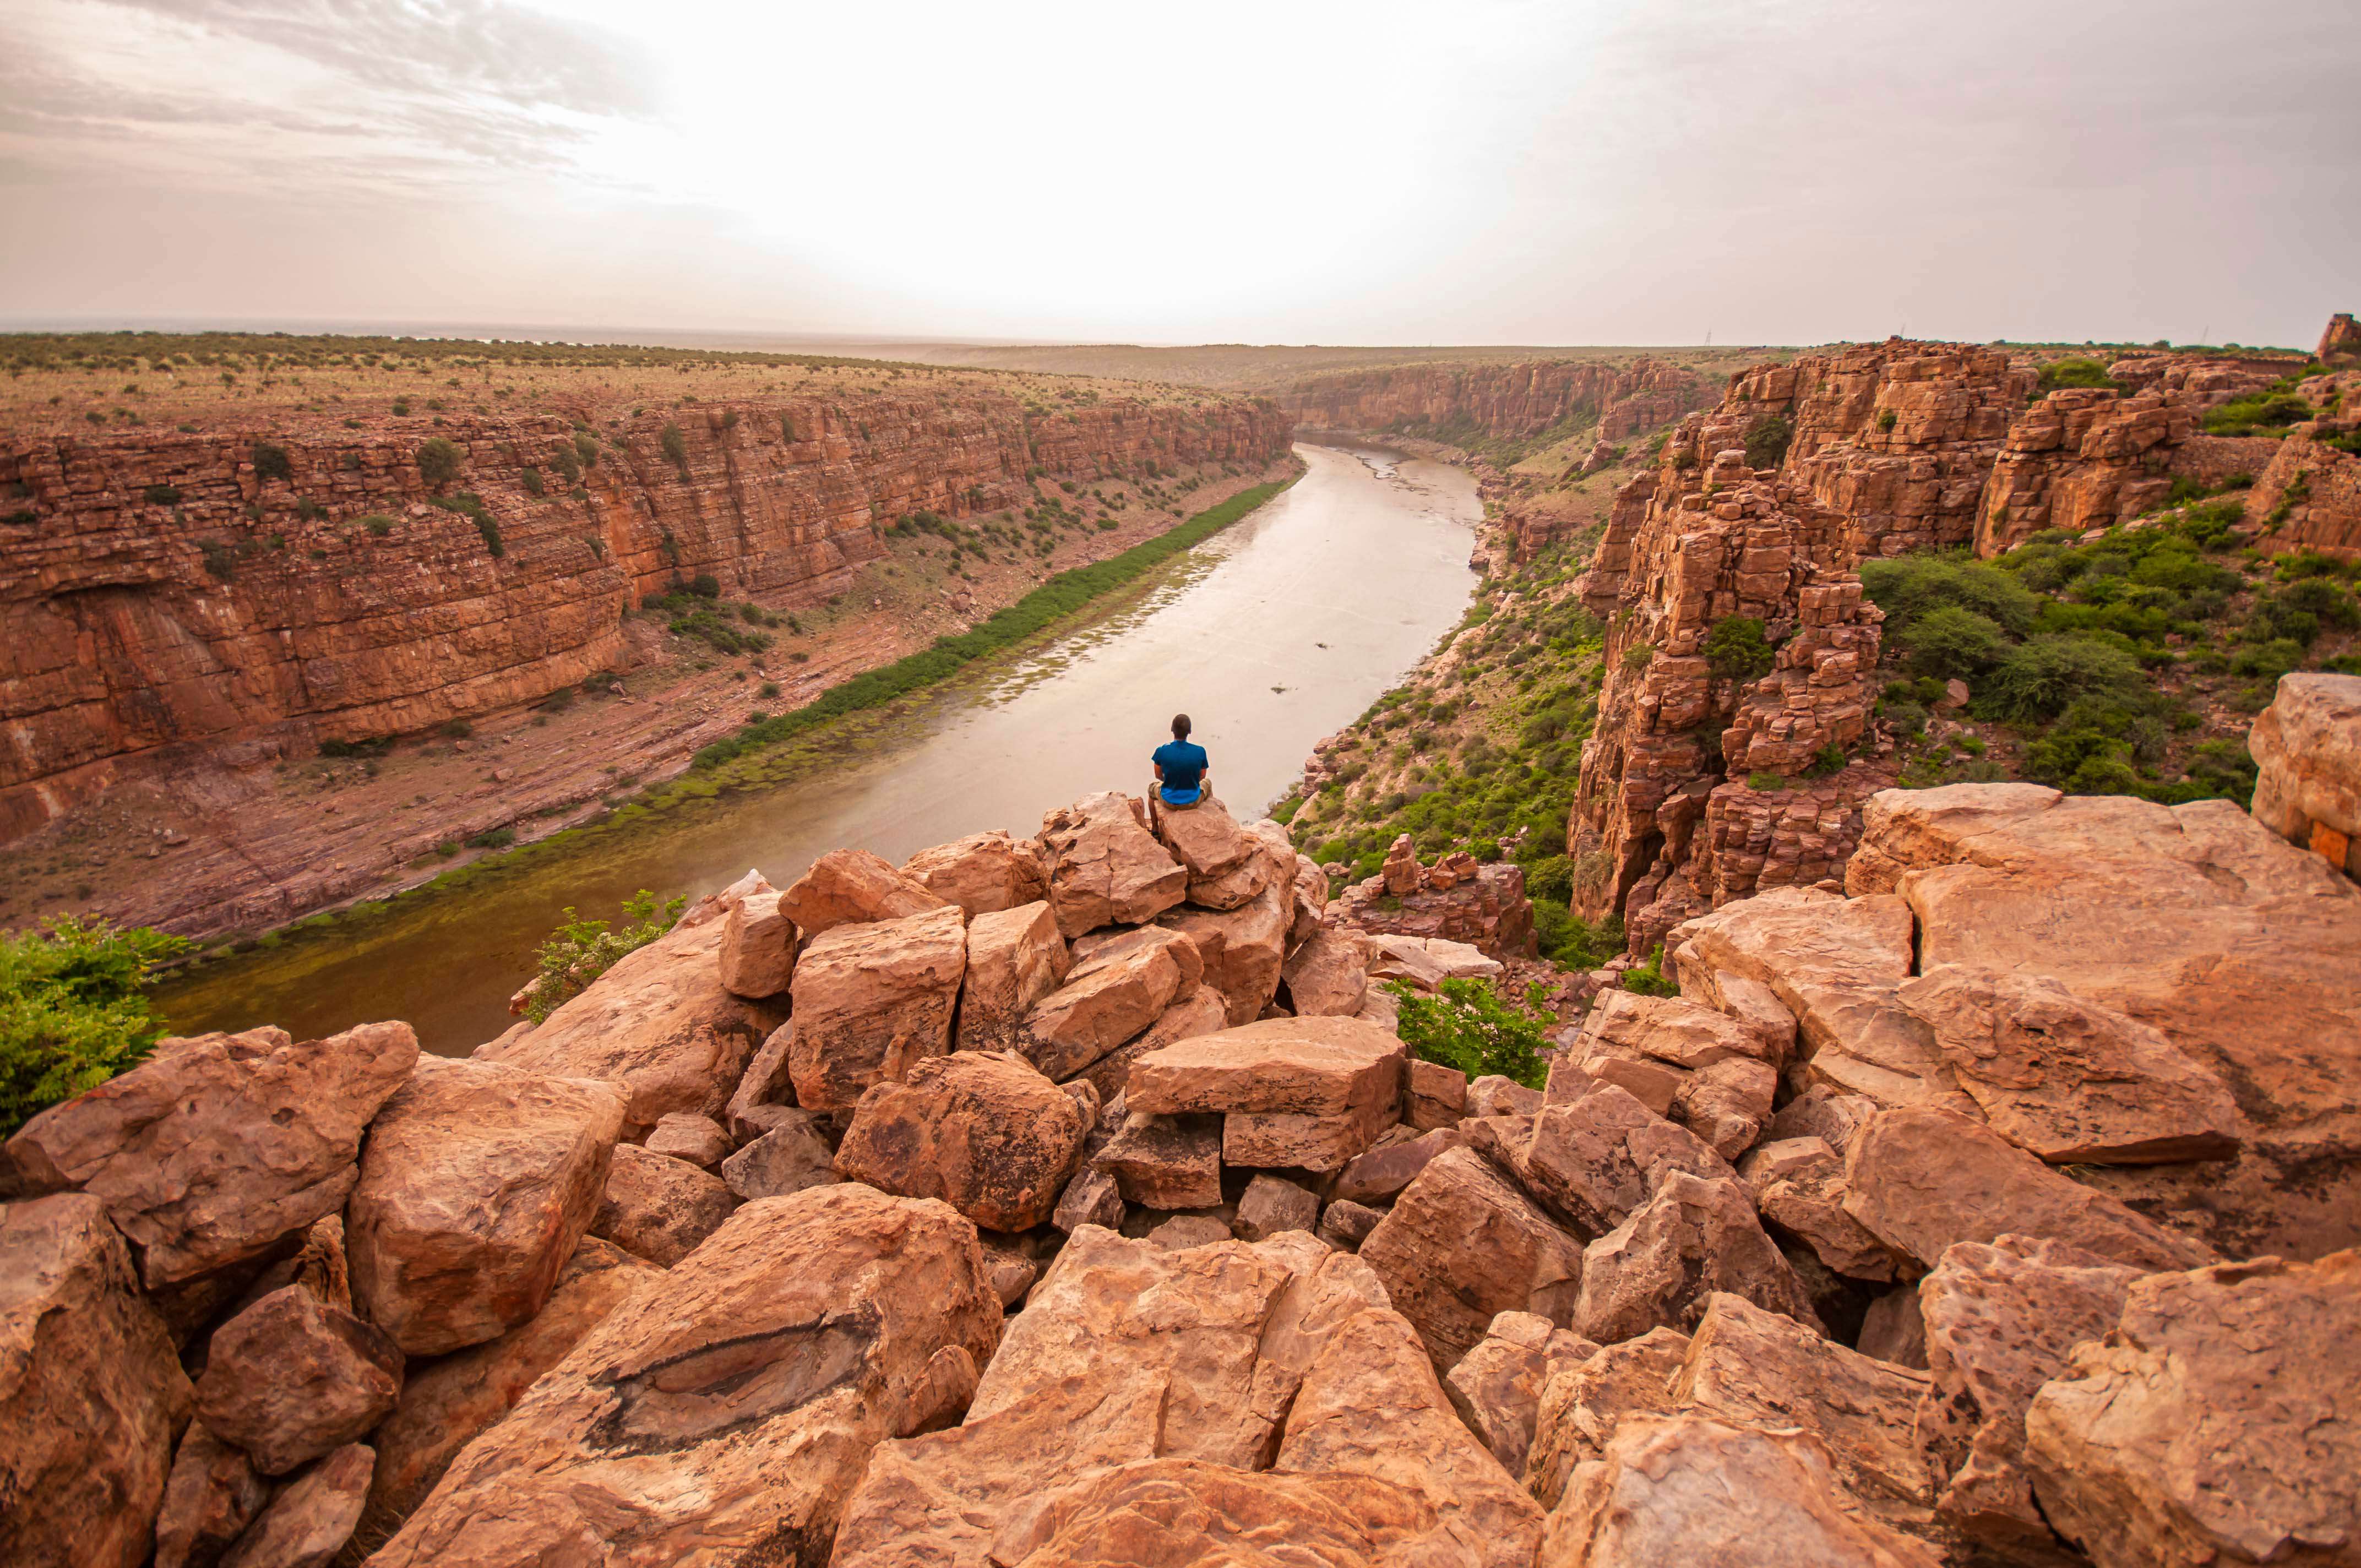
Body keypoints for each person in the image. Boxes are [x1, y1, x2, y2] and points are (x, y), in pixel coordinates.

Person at [1151, 714, 1210, 809]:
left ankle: (1154, 824)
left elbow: (1158, 775)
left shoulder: (1161, 750)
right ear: (1190, 731)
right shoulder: (1200, 751)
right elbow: (1202, 776)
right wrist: (1189, 781)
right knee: (1208, 783)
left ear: (1172, 730)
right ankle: (1208, 813)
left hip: (1168, 800)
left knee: (1152, 789)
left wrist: (1171, 781)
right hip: (1193, 800)